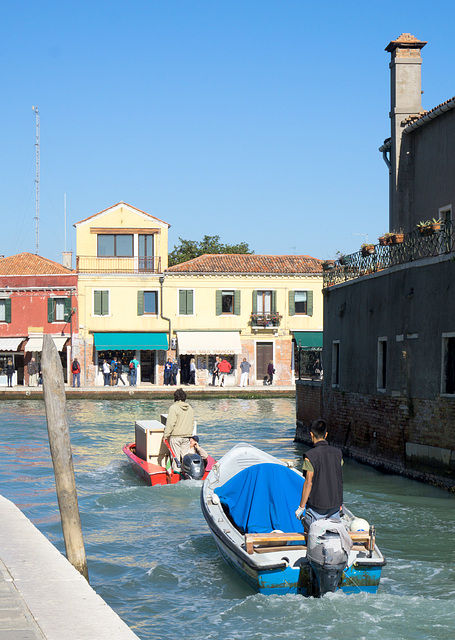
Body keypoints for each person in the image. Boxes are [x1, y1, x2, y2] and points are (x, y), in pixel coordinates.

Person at [295, 418, 343, 532]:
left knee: (313, 533)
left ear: (311, 434)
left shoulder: (310, 456)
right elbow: (336, 475)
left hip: (317, 506)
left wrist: (301, 507)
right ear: (326, 434)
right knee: (332, 534)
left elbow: (308, 482)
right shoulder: (338, 453)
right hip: (335, 504)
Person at [163, 388, 195, 471]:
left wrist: (165, 435)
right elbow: (192, 423)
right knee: (185, 457)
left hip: (176, 436)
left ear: (175, 397)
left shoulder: (174, 408)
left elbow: (170, 423)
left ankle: (177, 475)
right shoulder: (190, 408)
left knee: (175, 458)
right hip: (187, 436)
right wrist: (189, 434)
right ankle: (186, 473)